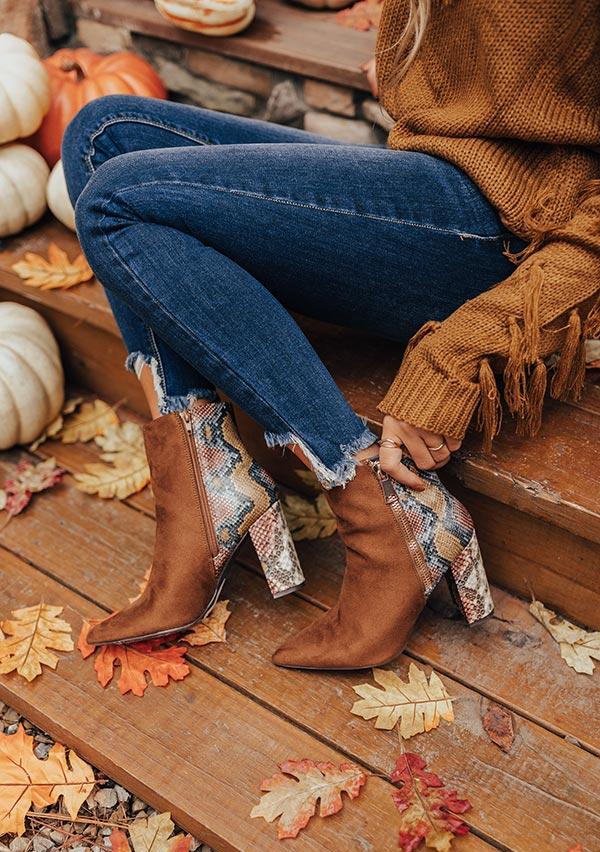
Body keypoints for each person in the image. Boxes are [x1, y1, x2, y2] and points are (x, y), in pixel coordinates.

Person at [61, 0, 600, 670]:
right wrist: (425, 67)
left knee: (115, 205)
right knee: (103, 132)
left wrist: (453, 362)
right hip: (436, 171)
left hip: (507, 235)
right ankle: (208, 479)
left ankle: (379, 499)